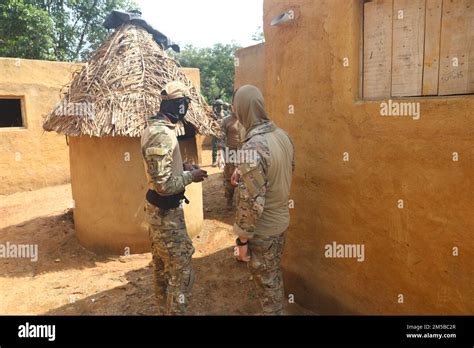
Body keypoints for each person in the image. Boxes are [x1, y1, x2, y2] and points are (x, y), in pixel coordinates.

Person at [141, 81, 208, 315]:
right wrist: (191, 176)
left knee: (163, 269)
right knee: (180, 273)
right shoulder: (162, 134)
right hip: (166, 215)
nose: (187, 109)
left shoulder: (158, 129)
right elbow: (163, 185)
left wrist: (183, 167)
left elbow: (164, 172)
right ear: (180, 105)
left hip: (162, 214)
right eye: (186, 104)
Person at [232, 85, 295, 315]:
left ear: (242, 110)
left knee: (268, 291)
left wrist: (242, 242)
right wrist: (244, 173)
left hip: (262, 230)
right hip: (280, 224)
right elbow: (286, 171)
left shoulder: (252, 147)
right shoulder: (283, 136)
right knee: (273, 275)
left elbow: (251, 204)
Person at [217, 111, 242, 209]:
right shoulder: (226, 120)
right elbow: (221, 138)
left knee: (244, 177)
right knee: (229, 178)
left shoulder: (245, 119)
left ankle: (242, 201)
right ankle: (229, 199)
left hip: (244, 151)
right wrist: (221, 154)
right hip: (230, 153)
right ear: (231, 106)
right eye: (233, 104)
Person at [211, 99, 225, 167]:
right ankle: (214, 161)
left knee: (224, 146)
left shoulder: (225, 113)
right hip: (216, 133)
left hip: (223, 132)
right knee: (215, 146)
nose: (220, 107)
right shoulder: (214, 114)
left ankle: (224, 161)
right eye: (218, 106)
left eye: (221, 105)